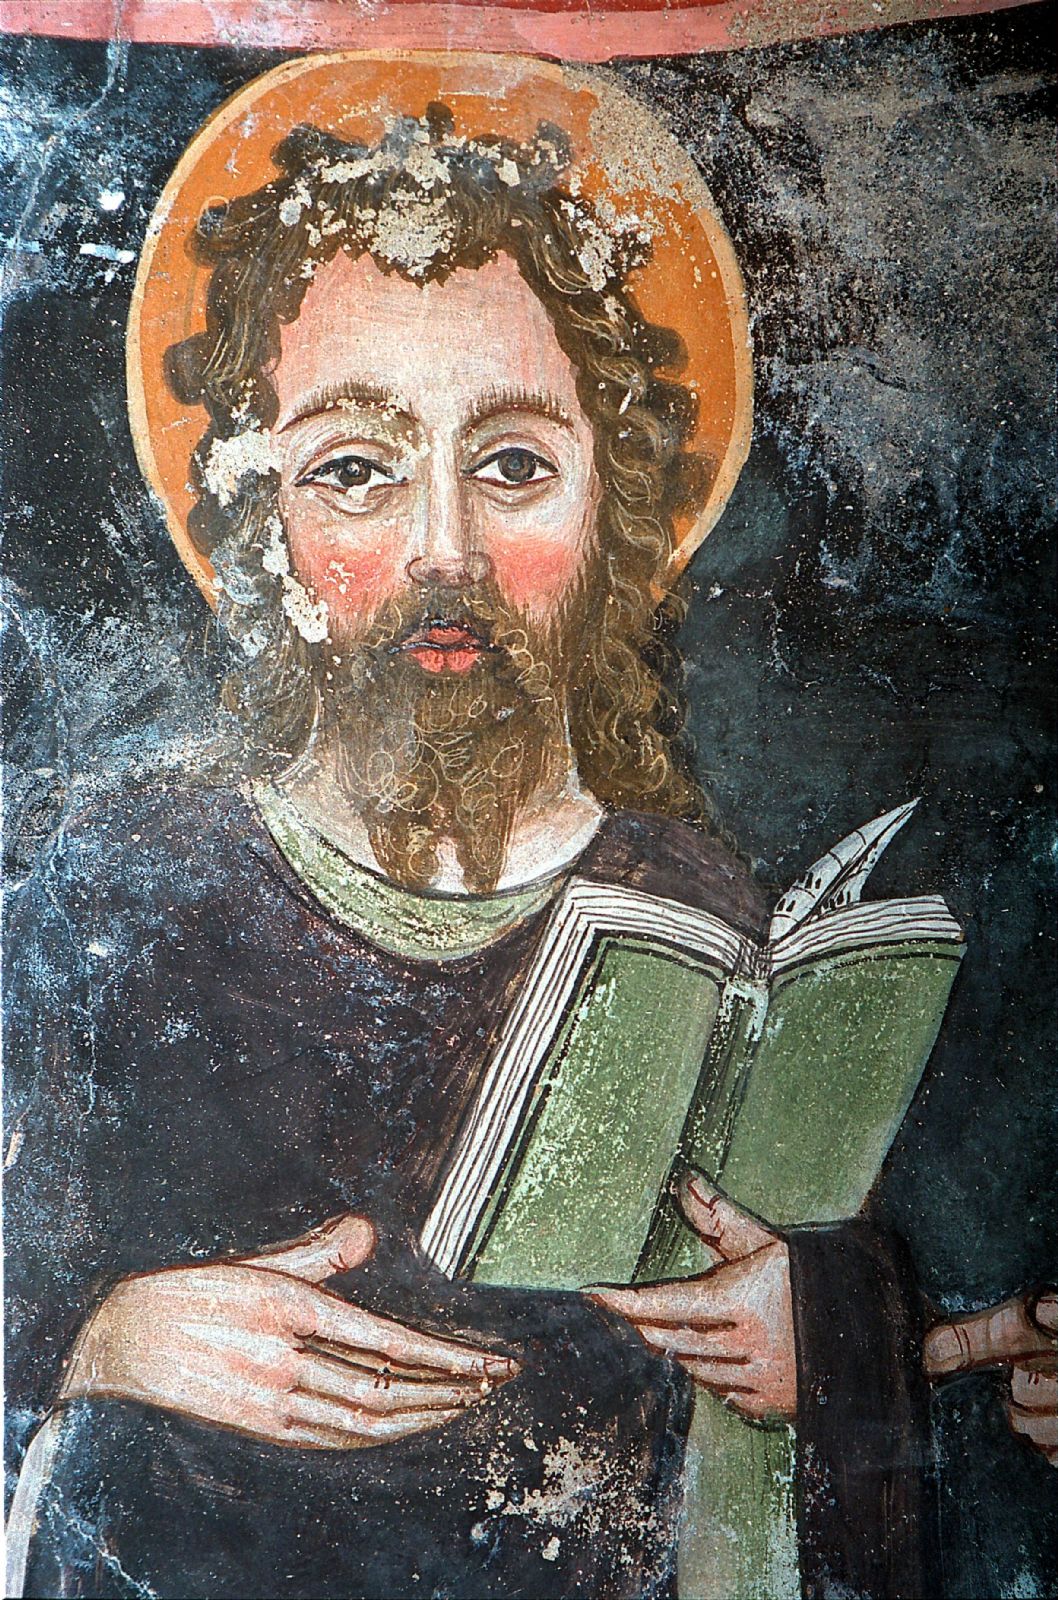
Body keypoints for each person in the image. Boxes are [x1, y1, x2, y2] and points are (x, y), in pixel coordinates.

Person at [5, 56, 1054, 1600]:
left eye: (511, 466)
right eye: (355, 471)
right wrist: (107, 1340)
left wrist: (828, 1339)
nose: (445, 549)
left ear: (613, 512)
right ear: (260, 520)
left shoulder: (696, 905)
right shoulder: (124, 888)